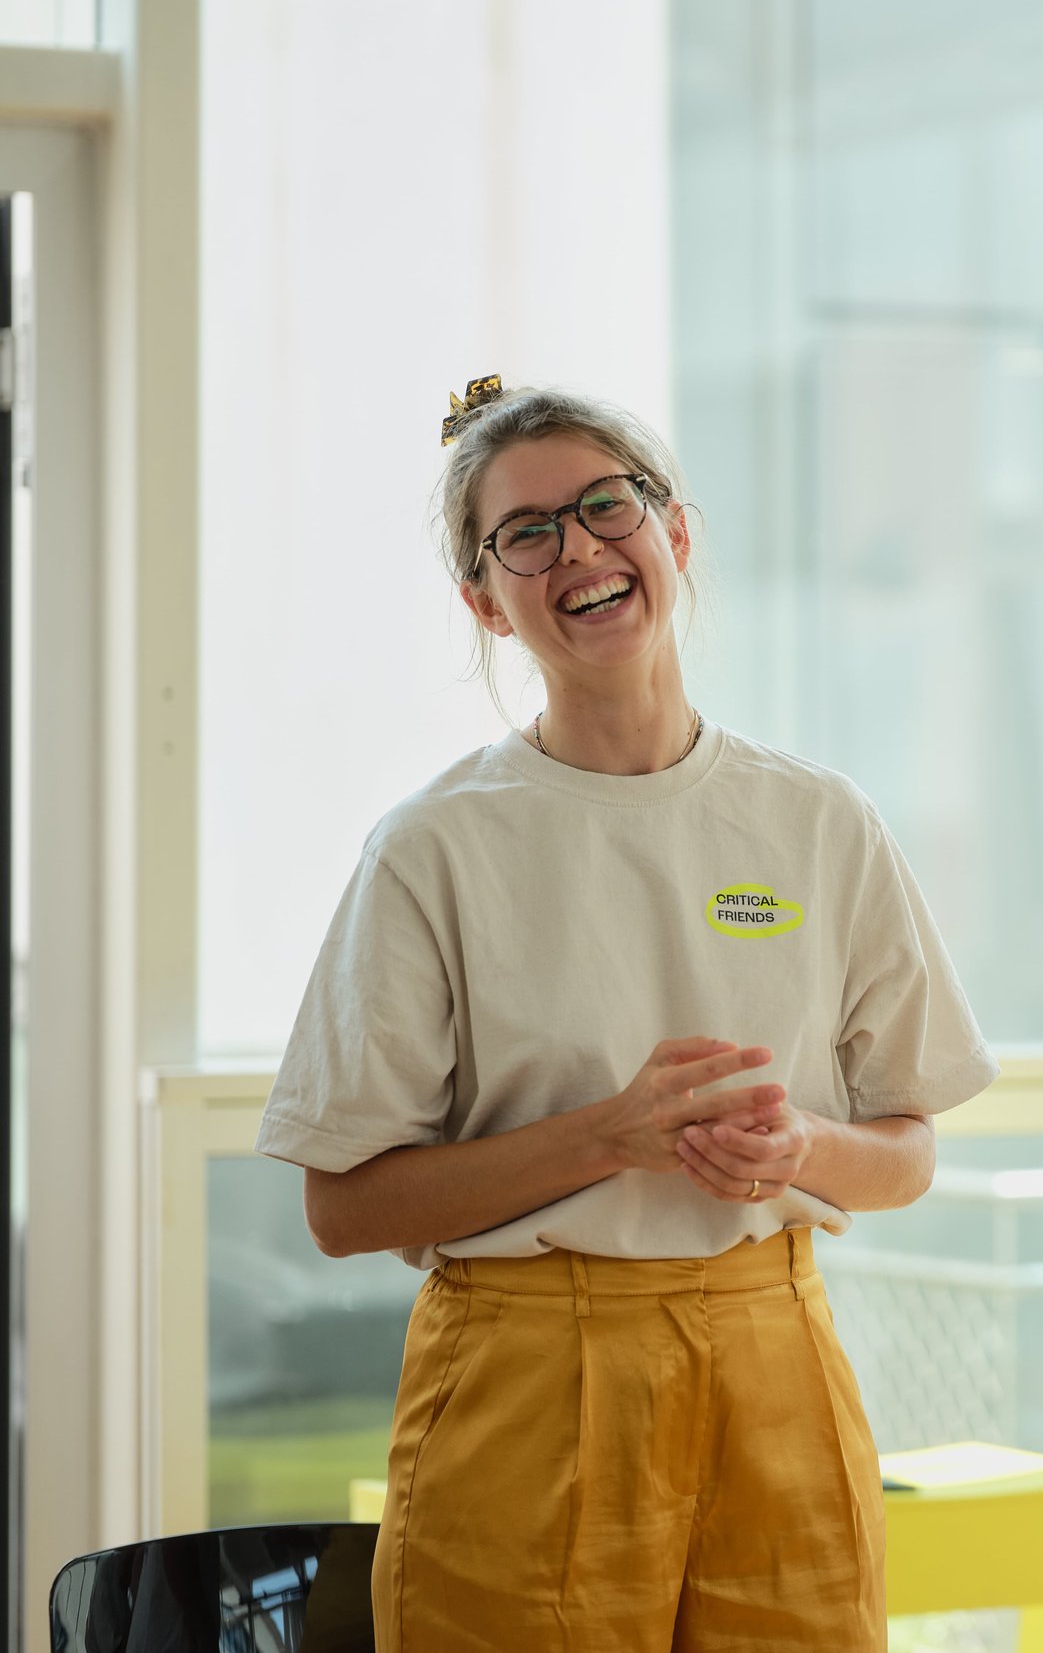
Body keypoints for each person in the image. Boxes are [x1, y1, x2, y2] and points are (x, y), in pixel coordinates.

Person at [255, 378, 998, 1652]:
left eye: (609, 506)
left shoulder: (818, 820)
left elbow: (909, 1152)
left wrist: (803, 1150)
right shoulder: (436, 847)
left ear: (676, 532)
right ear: (485, 601)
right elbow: (344, 1209)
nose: (580, 550)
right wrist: (605, 1136)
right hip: (525, 1375)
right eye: (526, 534)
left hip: (776, 1354)